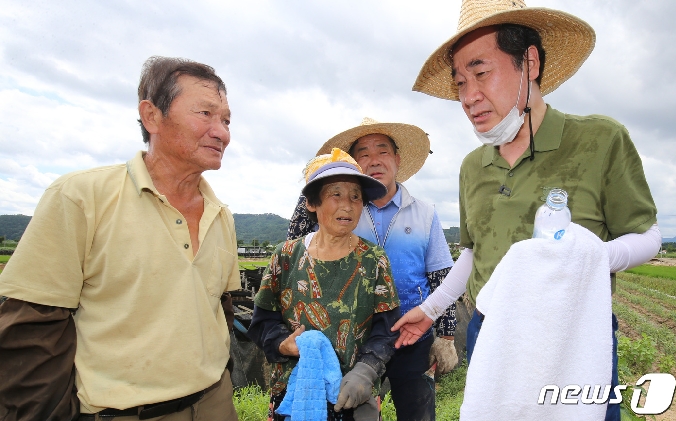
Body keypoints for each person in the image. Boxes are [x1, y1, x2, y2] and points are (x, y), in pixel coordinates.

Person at [392, 0, 661, 421]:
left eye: (481, 73)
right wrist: (430, 309)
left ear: (529, 63)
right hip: (490, 331)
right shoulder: (471, 168)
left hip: (575, 333)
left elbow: (648, 234)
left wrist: (589, 257)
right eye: (460, 82)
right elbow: (475, 253)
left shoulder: (599, 139)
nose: (468, 96)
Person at [0, 56, 241, 421]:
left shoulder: (220, 214)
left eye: (225, 120)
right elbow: (29, 332)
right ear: (152, 116)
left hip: (214, 406)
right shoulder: (81, 196)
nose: (221, 132)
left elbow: (218, 311)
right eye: (205, 114)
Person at [286, 118, 457, 421]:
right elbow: (295, 248)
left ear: (398, 160)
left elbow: (441, 276)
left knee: (418, 413)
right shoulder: (342, 207)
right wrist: (315, 186)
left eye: (383, 151)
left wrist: (446, 337)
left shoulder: (424, 212)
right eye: (363, 154)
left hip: (412, 337)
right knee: (356, 412)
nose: (374, 160)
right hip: (354, 338)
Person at [247, 148, 400, 421]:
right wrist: (283, 344)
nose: (348, 204)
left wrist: (365, 371)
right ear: (312, 203)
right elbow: (262, 322)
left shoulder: (374, 259)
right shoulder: (286, 256)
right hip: (295, 395)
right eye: (336, 194)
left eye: (356, 196)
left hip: (353, 397)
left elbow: (386, 330)